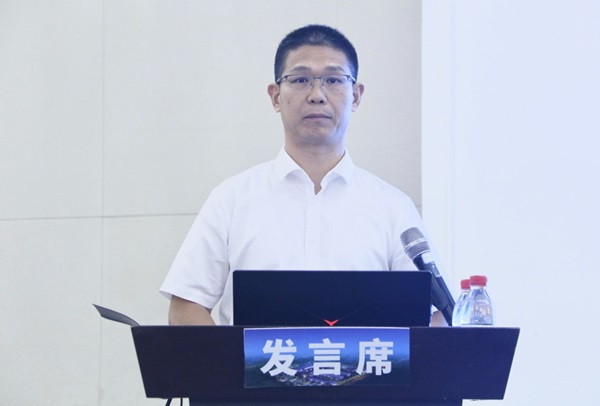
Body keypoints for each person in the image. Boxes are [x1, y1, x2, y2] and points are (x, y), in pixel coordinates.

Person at [160, 24, 446, 326]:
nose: (317, 95)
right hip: (259, 360)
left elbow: (436, 316)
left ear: (356, 96)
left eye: (333, 80)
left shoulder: (393, 207)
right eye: (300, 80)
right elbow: (186, 306)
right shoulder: (231, 199)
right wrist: (228, 358)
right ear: (275, 97)